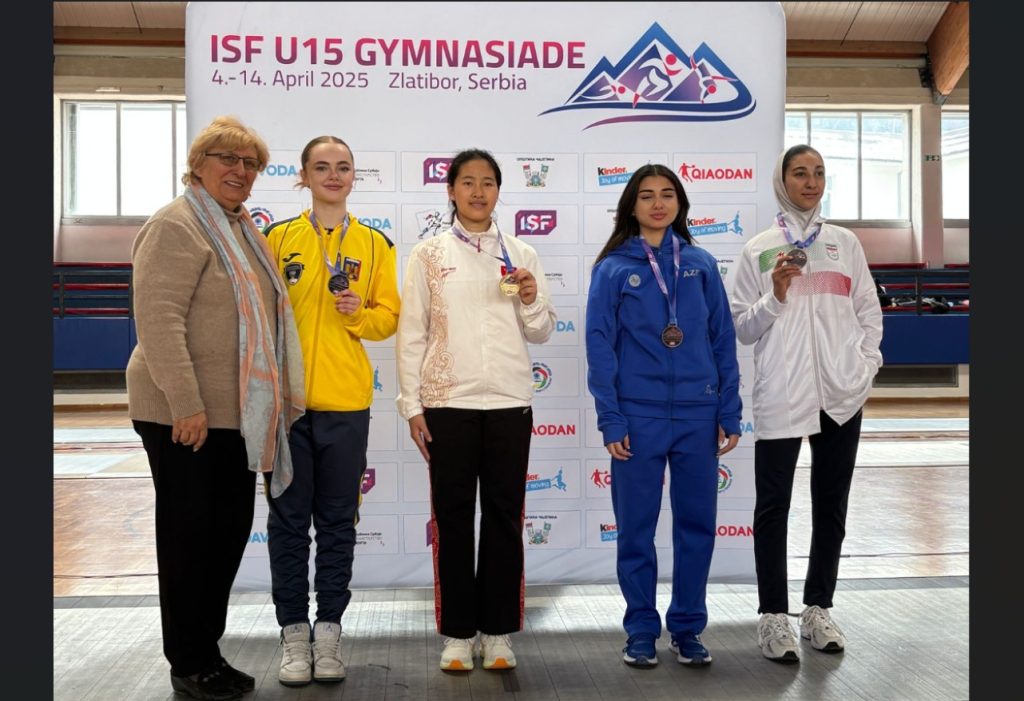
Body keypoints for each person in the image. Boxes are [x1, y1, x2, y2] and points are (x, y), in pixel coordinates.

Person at [127, 116, 305, 701]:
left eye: (250, 163)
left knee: (224, 539)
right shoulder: (176, 225)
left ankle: (207, 651)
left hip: (234, 417)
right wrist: (187, 404)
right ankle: (188, 663)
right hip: (184, 415)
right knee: (190, 542)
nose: (240, 170)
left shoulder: (241, 228)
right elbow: (159, 322)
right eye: (227, 158)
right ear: (197, 164)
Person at [395, 148, 557, 672]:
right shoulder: (428, 254)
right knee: (454, 518)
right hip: (448, 403)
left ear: (498, 191)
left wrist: (530, 298)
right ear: (451, 191)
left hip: (510, 403)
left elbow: (541, 330)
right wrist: (412, 405)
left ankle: (499, 631)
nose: (478, 191)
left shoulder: (521, 253)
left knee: (505, 517)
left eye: (488, 182)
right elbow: (412, 333)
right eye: (468, 182)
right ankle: (458, 635)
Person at [730, 145, 883, 663]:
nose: (811, 181)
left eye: (818, 172)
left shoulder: (844, 243)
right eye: (800, 173)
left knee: (831, 504)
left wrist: (864, 366)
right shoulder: (759, 250)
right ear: (782, 181)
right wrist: (774, 295)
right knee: (773, 506)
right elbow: (741, 327)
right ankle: (774, 615)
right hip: (784, 391)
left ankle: (818, 608)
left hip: (841, 393)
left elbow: (868, 311)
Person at [585, 164, 742, 668]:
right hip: (639, 415)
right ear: (631, 206)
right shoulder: (612, 269)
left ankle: (688, 628)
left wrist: (729, 409)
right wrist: (611, 418)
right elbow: (600, 346)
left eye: (668, 194)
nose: (658, 204)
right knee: (636, 529)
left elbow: (722, 338)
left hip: (698, 414)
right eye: (647, 195)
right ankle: (640, 629)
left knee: (697, 526)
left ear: (680, 204)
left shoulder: (700, 263)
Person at [263, 136, 401, 686]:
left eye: (343, 167)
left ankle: (329, 633)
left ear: (353, 176)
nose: (334, 175)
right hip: (287, 407)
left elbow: (389, 317)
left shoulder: (374, 243)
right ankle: (293, 634)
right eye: (321, 167)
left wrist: (359, 315)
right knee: (288, 522)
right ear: (303, 176)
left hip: (346, 404)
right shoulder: (277, 238)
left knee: (339, 523)